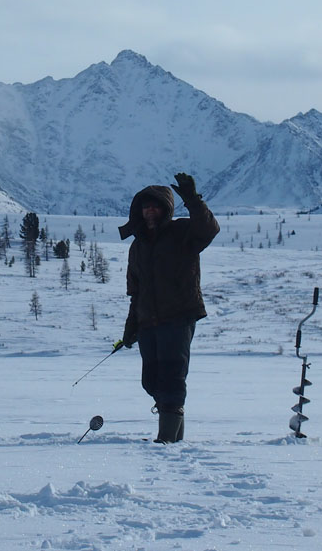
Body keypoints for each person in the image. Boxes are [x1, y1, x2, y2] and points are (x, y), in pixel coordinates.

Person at [118, 172, 220, 443]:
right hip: (148, 320)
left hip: (178, 315)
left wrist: (193, 200)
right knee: (151, 380)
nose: (150, 210)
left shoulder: (182, 232)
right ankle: (174, 434)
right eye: (145, 206)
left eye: (155, 206)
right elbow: (136, 290)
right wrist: (132, 325)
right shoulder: (138, 246)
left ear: (166, 209)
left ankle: (167, 438)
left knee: (172, 376)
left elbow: (209, 229)